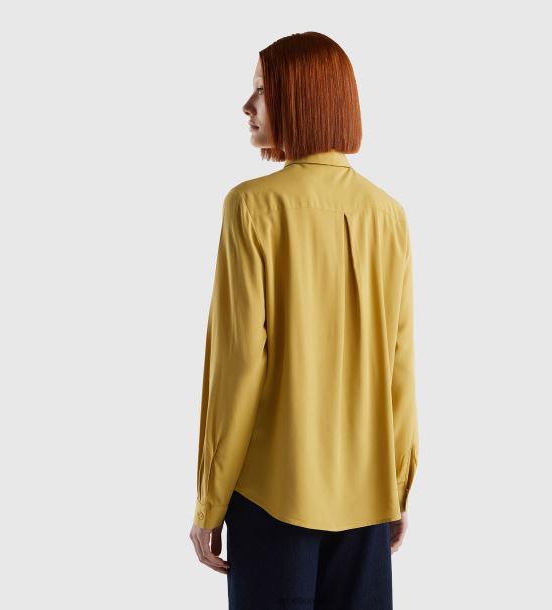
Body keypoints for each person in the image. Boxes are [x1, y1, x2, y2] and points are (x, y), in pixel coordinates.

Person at [189, 31, 419, 609]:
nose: (247, 106)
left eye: (261, 90)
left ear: (300, 97)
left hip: (274, 497)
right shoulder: (388, 215)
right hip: (367, 497)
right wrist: (397, 488)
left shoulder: (252, 207)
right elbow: (400, 368)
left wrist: (210, 502)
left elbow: (239, 368)